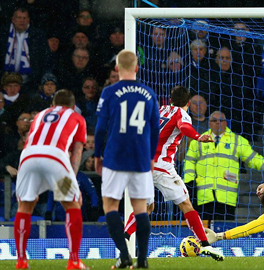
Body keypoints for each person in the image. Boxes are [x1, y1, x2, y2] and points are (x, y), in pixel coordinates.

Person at [123, 85, 224, 262]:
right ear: (187, 102)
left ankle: (123, 237)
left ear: (170, 99)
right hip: (161, 165)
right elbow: (184, 127)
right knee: (186, 204)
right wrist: (198, 136)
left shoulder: (160, 110)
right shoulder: (181, 113)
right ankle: (206, 245)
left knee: (147, 208)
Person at [94, 50, 160, 269]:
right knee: (140, 208)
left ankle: (124, 255)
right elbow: (155, 129)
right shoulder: (149, 93)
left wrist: (97, 154)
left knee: (110, 205)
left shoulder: (109, 92)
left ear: (116, 68)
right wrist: (151, 157)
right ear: (137, 68)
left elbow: (101, 127)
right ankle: (142, 260)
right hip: (141, 157)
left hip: (115, 156)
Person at [14, 89, 88, 269]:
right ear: (72, 106)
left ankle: (22, 261)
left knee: (25, 205)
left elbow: (31, 140)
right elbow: (77, 153)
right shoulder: (76, 117)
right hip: (56, 157)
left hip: (28, 156)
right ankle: (74, 261)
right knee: (72, 203)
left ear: (52, 104)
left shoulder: (40, 115)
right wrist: (73, 180)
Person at [184, 111, 264, 220]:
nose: (218, 123)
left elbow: (253, 158)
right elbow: (189, 161)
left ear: (226, 123)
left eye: (221, 120)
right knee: (205, 228)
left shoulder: (237, 141)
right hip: (204, 196)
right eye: (214, 120)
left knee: (225, 229)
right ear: (209, 123)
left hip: (227, 196)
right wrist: (188, 181)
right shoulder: (199, 141)